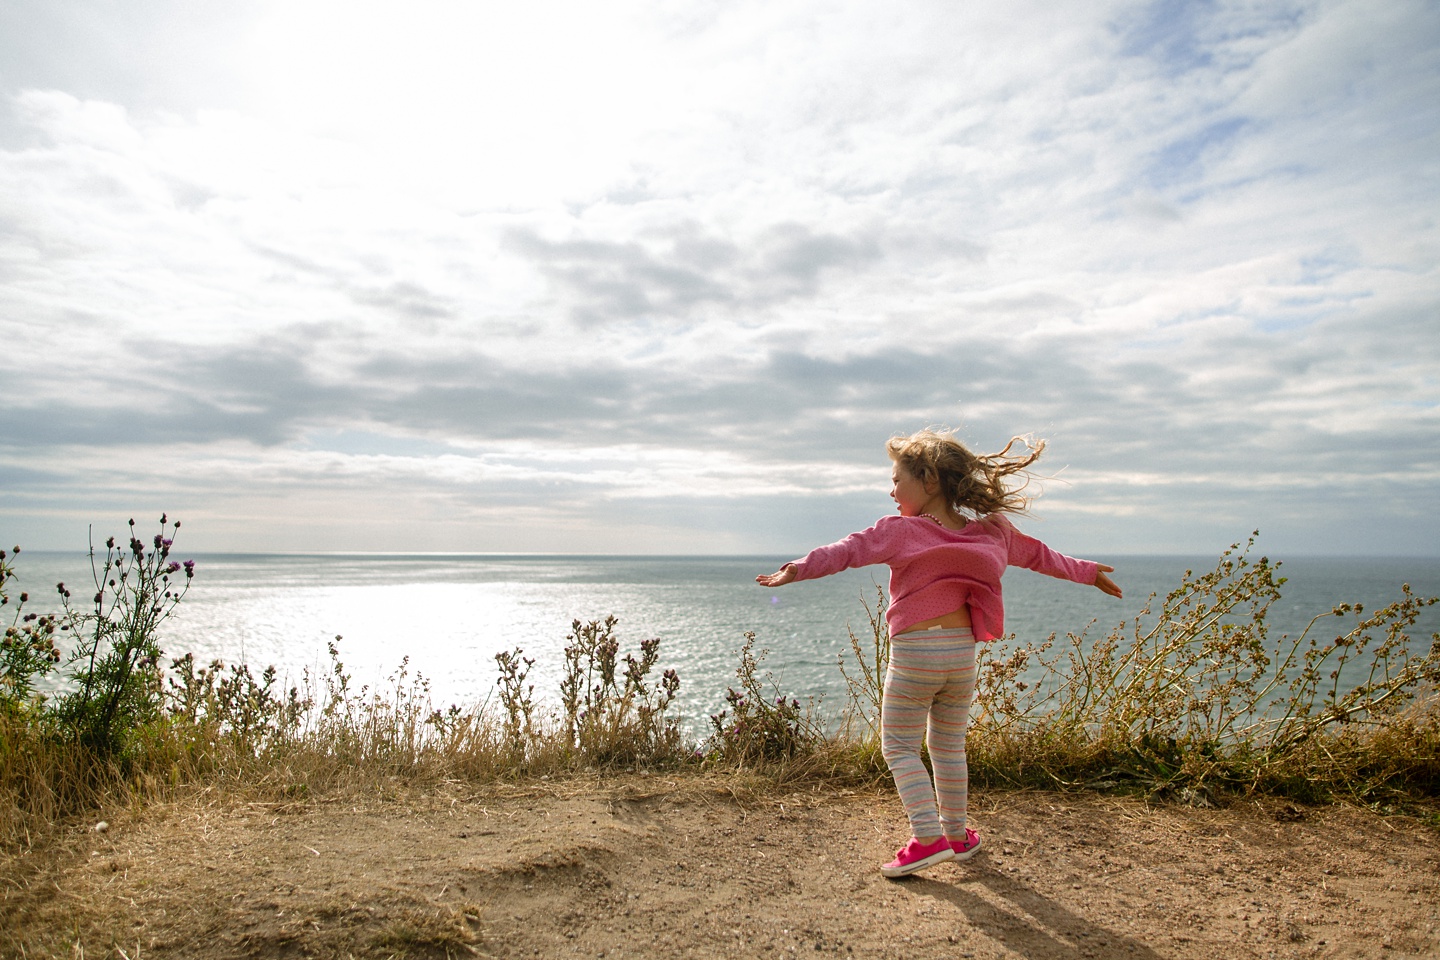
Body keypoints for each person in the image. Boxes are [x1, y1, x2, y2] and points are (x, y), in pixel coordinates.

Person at [756, 428, 1122, 878]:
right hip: (961, 657)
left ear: (928, 480)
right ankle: (956, 835)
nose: (891, 491)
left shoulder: (900, 531)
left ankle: (926, 839)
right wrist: (1087, 572)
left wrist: (797, 568)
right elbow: (1041, 556)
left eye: (897, 479)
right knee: (949, 748)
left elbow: (848, 550)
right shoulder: (992, 533)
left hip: (916, 654)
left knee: (900, 747)